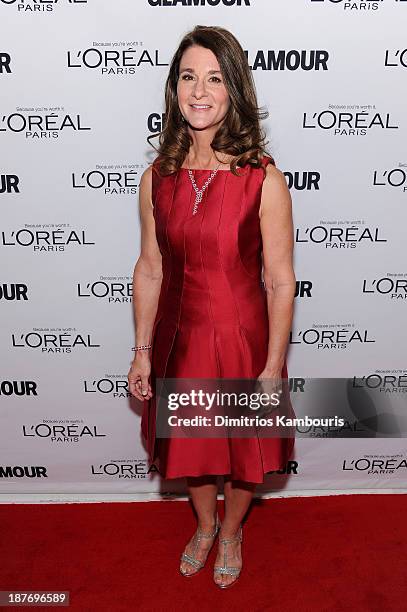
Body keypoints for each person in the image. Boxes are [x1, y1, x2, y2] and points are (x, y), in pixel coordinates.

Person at [128, 25, 296, 588]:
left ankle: (231, 530)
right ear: (174, 89)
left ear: (234, 88)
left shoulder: (263, 180)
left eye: (215, 77)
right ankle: (205, 524)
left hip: (244, 336)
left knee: (244, 450)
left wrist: (272, 367)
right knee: (192, 448)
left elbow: (279, 280)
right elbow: (150, 268)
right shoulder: (158, 178)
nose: (200, 91)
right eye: (188, 77)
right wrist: (142, 351)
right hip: (182, 337)